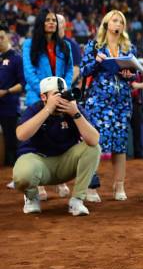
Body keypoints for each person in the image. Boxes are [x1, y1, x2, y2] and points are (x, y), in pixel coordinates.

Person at [12, 76, 100, 215]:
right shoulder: (35, 109)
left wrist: (75, 114)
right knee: (23, 174)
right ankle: (31, 196)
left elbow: (94, 140)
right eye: (56, 95)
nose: (62, 99)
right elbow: (21, 135)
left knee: (93, 149)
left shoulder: (72, 109)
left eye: (64, 94)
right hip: (39, 163)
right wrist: (47, 109)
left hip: (65, 164)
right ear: (43, 97)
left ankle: (77, 200)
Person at [81, 10, 137, 201]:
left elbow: (135, 72)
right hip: (99, 102)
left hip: (122, 102)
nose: (118, 24)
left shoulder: (129, 47)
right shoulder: (94, 46)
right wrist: (96, 62)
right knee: (95, 143)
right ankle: (90, 186)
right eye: (115, 20)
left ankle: (119, 185)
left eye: (121, 22)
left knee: (120, 145)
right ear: (106, 24)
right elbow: (84, 70)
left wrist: (131, 75)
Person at [22, 9, 74, 106]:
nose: (51, 22)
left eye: (54, 20)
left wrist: (63, 90)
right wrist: (46, 93)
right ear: (41, 23)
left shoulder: (66, 45)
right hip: (37, 98)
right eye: (47, 20)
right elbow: (29, 73)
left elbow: (69, 70)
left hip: (60, 97)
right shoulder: (29, 44)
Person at [0, 24, 24, 167]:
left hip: (9, 108)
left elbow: (23, 83)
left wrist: (6, 91)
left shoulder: (16, 58)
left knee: (11, 143)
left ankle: (14, 176)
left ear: (7, 37)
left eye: (1, 37)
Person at [57, 14, 82, 84]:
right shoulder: (47, 44)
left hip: (65, 87)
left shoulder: (72, 45)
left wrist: (63, 87)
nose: (55, 24)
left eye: (59, 22)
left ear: (64, 26)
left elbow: (76, 69)